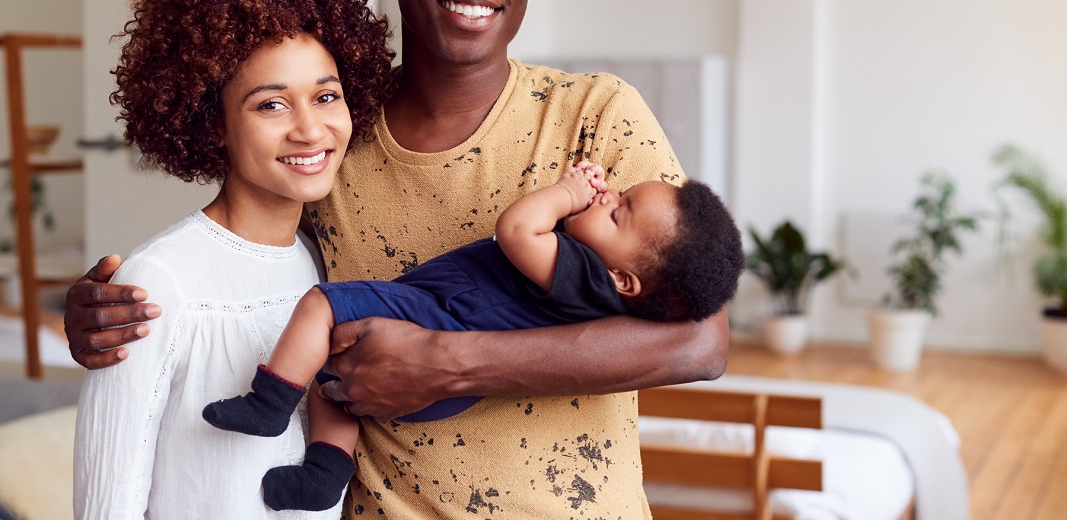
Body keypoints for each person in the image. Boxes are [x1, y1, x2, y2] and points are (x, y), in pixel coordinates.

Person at [65, 0, 732, 517]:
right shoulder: (335, 130)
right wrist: (128, 310)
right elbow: (245, 261)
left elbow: (700, 341)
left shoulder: (595, 114)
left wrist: (451, 363)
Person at [72, 0, 395, 519]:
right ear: (213, 123)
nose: (310, 130)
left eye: (326, 96)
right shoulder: (159, 281)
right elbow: (106, 502)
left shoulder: (318, 260)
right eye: (271, 104)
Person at [202, 161, 742, 511]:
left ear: (624, 281)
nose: (607, 196)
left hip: (440, 319)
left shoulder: (580, 274)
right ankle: (324, 476)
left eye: (619, 212)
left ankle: (269, 402)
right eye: (618, 193)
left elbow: (517, 230)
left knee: (322, 305)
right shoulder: (606, 293)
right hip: (445, 387)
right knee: (334, 384)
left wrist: (567, 192)